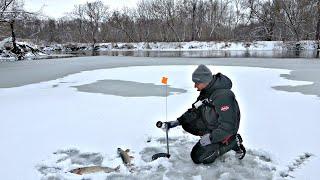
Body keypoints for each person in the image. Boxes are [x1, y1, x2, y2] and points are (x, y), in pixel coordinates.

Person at [164, 64, 246, 164]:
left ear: (204, 81)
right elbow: (195, 110)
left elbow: (228, 126)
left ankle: (232, 142)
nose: (195, 86)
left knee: (198, 157)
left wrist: (210, 138)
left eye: (196, 83)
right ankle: (211, 142)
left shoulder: (223, 96)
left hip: (225, 131)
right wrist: (178, 121)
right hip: (212, 124)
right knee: (187, 123)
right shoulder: (206, 91)